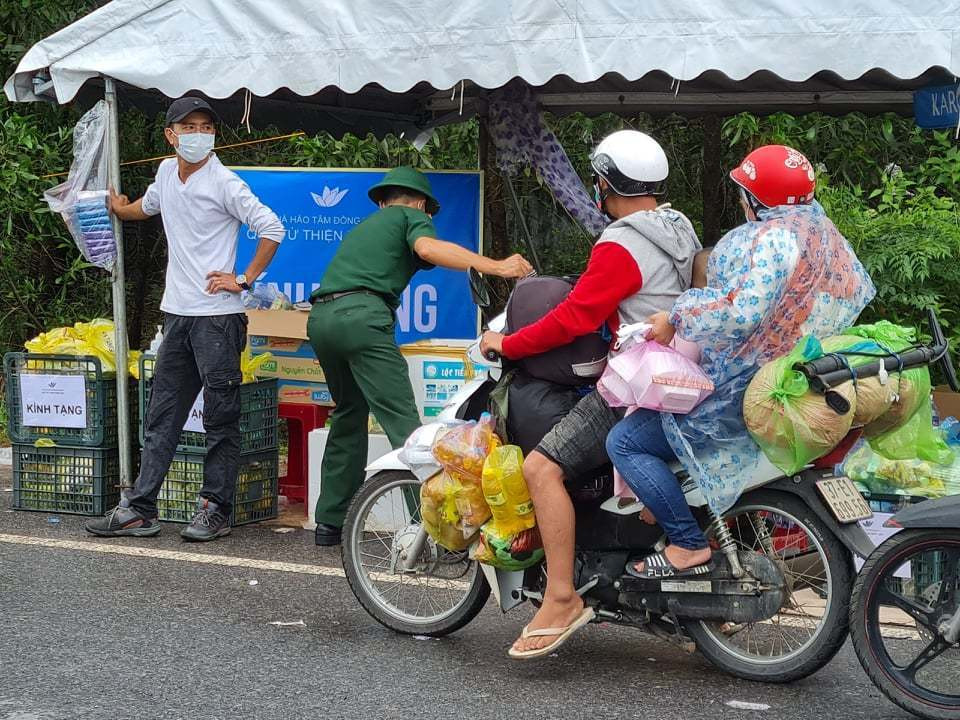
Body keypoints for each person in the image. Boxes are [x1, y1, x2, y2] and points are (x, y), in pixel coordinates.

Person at [480, 130, 702, 659]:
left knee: (541, 469)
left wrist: (508, 342)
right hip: (684, 372)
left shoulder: (620, 242)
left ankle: (559, 597)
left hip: (636, 382)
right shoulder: (678, 228)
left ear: (604, 183)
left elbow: (575, 316)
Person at [606, 144, 876, 578]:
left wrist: (676, 315)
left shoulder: (768, 238)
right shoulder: (824, 234)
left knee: (625, 442)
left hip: (742, 390)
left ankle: (687, 544)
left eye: (743, 192)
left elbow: (738, 311)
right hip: (797, 378)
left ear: (755, 198)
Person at [85, 96, 286, 542]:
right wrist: (121, 209)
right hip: (177, 315)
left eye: (206, 127)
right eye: (189, 126)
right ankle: (139, 508)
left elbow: (272, 228)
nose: (199, 134)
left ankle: (214, 508)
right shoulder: (164, 172)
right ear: (171, 135)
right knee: (162, 417)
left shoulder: (225, 182)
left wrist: (243, 279)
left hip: (218, 319)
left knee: (220, 416)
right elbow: (149, 206)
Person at [309, 166, 533, 547]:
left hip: (322, 320)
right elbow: (427, 248)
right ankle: (428, 529)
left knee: (348, 414)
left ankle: (329, 523)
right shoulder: (408, 215)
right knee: (405, 427)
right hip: (363, 318)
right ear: (420, 204)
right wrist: (496, 266)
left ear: (382, 200)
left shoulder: (367, 227)